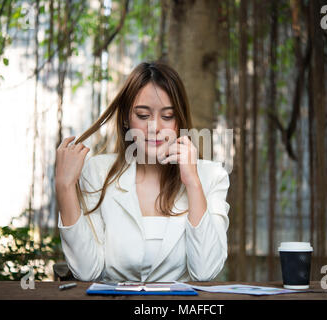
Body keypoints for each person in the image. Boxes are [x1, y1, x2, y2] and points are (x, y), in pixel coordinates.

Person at [55, 61, 230, 282]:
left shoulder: (212, 176)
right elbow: (87, 271)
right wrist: (64, 187)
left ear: (179, 121)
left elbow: (205, 272)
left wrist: (193, 182)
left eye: (167, 116)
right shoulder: (97, 172)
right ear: (127, 119)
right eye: (143, 115)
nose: (154, 127)